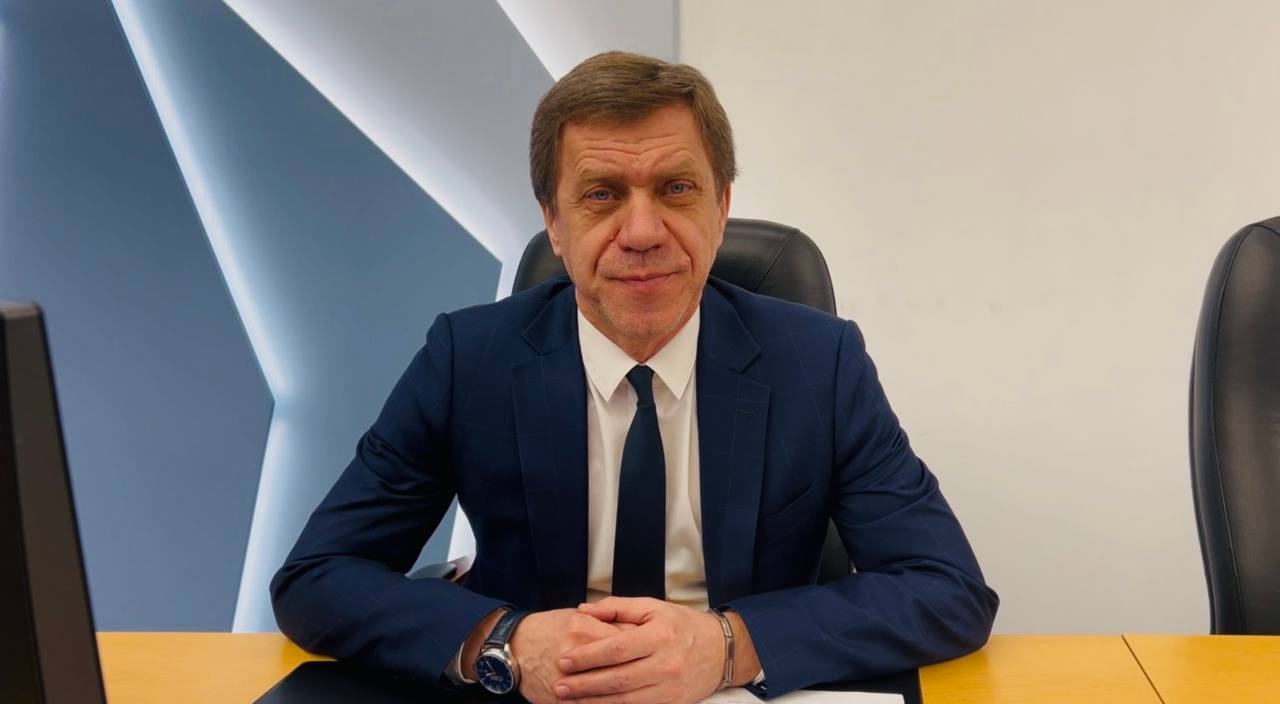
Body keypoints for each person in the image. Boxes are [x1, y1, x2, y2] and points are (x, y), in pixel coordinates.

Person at [271, 51, 998, 703]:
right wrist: (506, 641)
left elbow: (948, 590)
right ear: (554, 223)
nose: (643, 232)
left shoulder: (820, 362)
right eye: (601, 194)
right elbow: (317, 575)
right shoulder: (468, 358)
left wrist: (728, 646)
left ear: (721, 208)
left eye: (676, 189)